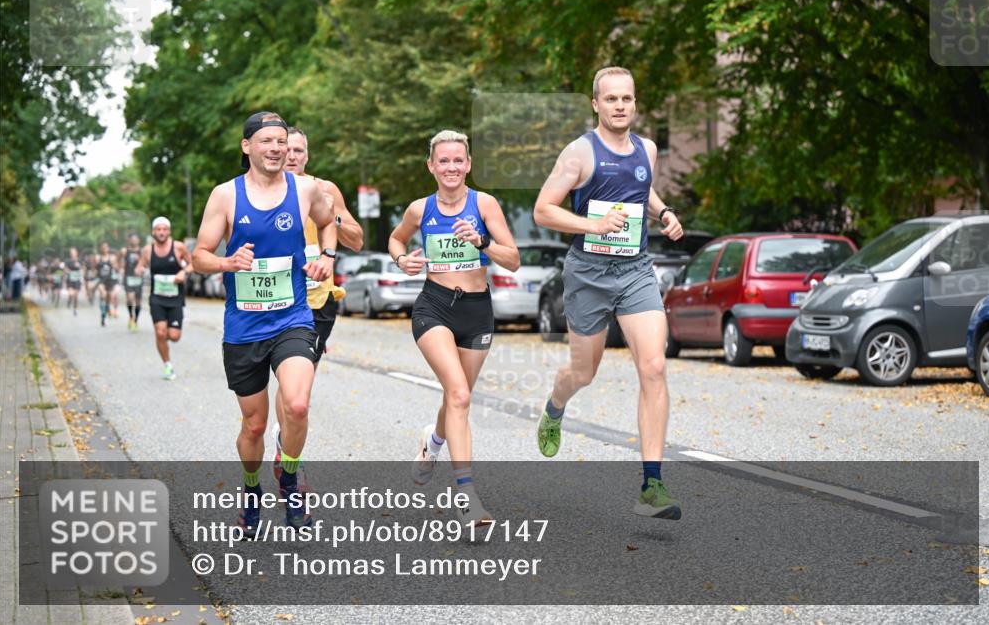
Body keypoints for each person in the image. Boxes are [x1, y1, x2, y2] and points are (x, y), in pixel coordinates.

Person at [532, 66, 685, 519]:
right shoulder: (579, 153)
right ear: (596, 105)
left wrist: (664, 212)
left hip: (636, 270)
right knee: (583, 372)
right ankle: (555, 406)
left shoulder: (647, 149)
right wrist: (593, 225)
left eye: (628, 99)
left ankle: (652, 483)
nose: (621, 106)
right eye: (611, 99)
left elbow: (642, 190)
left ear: (635, 104)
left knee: (654, 366)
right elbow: (544, 210)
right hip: (589, 272)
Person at [192, 111, 336, 532]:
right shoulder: (226, 196)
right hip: (244, 327)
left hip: (292, 318)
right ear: (247, 147)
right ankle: (251, 487)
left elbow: (330, 223)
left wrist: (327, 256)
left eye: (282, 142)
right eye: (267, 141)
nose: (276, 149)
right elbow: (199, 255)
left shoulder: (306, 189)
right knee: (253, 425)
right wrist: (226, 261)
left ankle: (289, 477)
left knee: (296, 403)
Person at [389, 129, 520, 527]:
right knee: (459, 393)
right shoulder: (419, 209)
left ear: (469, 164)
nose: (451, 167)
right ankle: (467, 497)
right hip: (434, 307)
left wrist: (480, 241)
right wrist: (402, 261)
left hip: (477, 310)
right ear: (431, 166)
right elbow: (396, 240)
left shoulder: (485, 204)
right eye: (443, 160)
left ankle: (433, 443)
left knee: (457, 398)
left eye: (458, 160)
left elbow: (512, 259)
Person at [270, 125, 364, 485]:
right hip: (279, 299)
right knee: (289, 380)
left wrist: (330, 213)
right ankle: (289, 448)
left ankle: (284, 443)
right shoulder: (265, 191)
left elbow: (357, 239)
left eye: (298, 151)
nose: (292, 156)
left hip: (318, 301)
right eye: (286, 149)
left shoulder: (324, 189)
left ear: (307, 155)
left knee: (299, 383)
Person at [136, 218, 193, 380]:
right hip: (157, 298)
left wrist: (184, 272)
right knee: (161, 332)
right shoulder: (148, 250)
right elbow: (140, 266)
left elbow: (192, 264)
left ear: (169, 231)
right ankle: (167, 365)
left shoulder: (178, 247)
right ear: (153, 232)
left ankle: (163, 335)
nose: (161, 232)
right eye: (158, 229)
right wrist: (139, 269)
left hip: (175, 298)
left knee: (174, 336)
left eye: (164, 229)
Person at [122, 234, 144, 331]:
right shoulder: (125, 251)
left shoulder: (142, 251)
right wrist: (120, 268)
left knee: (138, 301)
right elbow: (120, 261)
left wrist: (143, 267)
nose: (134, 241)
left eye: (136, 239)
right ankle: (131, 316)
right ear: (130, 241)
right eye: (132, 239)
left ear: (138, 240)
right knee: (130, 298)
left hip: (138, 278)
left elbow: (146, 263)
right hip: (129, 277)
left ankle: (135, 320)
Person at [95, 243, 120, 326]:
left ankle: (110, 308)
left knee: (111, 296)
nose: (104, 249)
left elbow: (117, 268)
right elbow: (94, 269)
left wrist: (116, 266)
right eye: (103, 247)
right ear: (100, 248)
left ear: (108, 248)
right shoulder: (98, 258)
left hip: (111, 280)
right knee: (103, 295)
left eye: (106, 247)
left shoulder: (112, 258)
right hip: (101, 280)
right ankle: (103, 316)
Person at [64, 248, 83, 316]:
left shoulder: (80, 261)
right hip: (70, 280)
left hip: (77, 280)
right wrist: (67, 271)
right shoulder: (67, 261)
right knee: (71, 294)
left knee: (76, 295)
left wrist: (80, 268)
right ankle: (69, 300)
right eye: (71, 253)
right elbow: (65, 269)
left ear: (76, 253)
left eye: (74, 252)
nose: (72, 254)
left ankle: (75, 309)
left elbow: (83, 268)